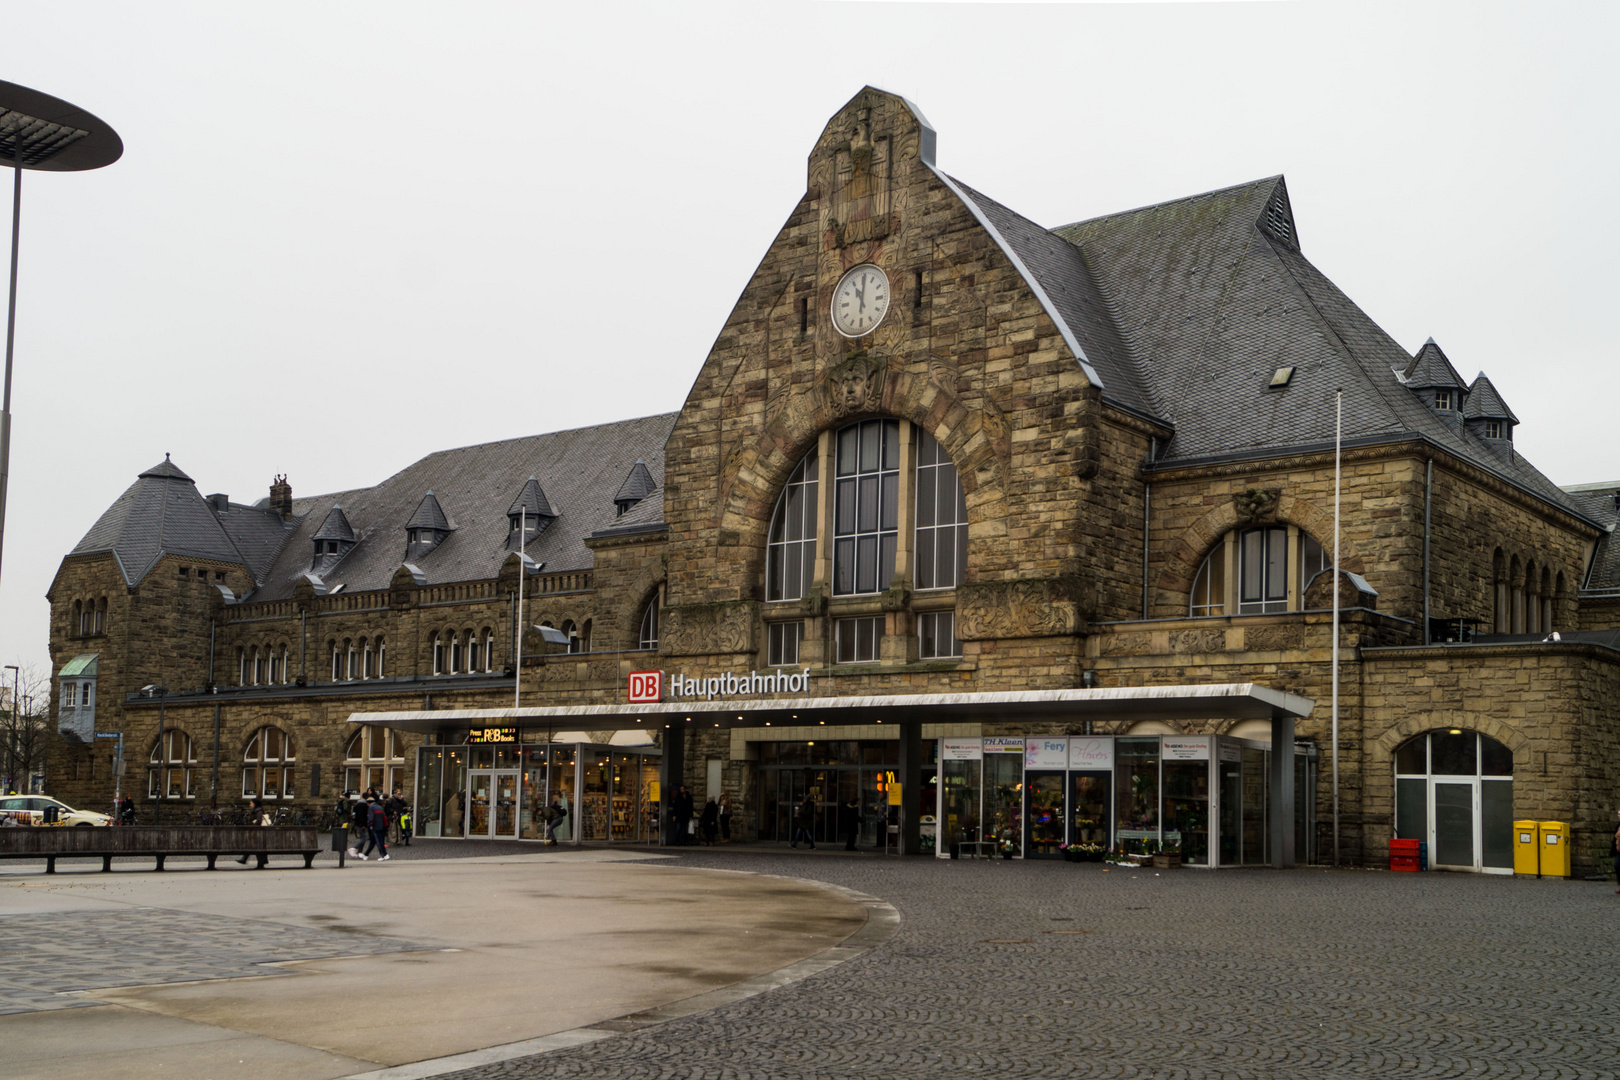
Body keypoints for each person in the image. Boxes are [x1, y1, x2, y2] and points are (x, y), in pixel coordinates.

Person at [237, 797, 269, 866]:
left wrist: (253, 826)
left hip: (257, 832)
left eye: (251, 803)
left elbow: (259, 821)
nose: (250, 804)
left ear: (255, 804)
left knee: (252, 845)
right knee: (255, 846)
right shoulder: (257, 810)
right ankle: (263, 860)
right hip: (258, 832)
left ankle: (244, 859)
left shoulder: (258, 811)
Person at [361, 795, 390, 861]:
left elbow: (371, 818)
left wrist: (369, 826)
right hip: (382, 826)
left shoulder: (371, 808)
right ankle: (365, 855)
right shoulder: (379, 807)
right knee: (373, 842)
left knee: (380, 842)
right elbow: (384, 817)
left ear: (368, 803)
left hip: (376, 827)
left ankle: (384, 855)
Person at [348, 793, 370, 857]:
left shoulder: (356, 805)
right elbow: (363, 816)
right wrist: (363, 825)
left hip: (357, 823)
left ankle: (360, 851)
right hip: (362, 824)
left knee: (362, 837)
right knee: (364, 837)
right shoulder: (364, 806)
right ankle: (354, 848)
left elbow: (354, 815)